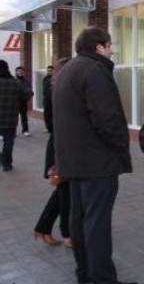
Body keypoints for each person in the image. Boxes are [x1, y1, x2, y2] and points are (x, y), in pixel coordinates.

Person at [53, 26, 136, 284]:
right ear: (99, 47)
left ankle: (86, 273)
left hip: (75, 161)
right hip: (97, 163)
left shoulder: (67, 70)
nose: (112, 51)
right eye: (110, 45)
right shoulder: (95, 70)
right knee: (97, 223)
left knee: (79, 219)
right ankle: (101, 277)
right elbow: (107, 118)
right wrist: (122, 143)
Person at [34, 58, 72, 248]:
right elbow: (54, 124)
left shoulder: (56, 89)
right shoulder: (55, 91)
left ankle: (43, 228)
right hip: (60, 147)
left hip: (59, 145)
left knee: (62, 192)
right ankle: (67, 234)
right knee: (65, 193)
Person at [0, 61, 32, 172]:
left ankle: (2, 158)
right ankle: (6, 164)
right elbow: (29, 93)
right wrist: (18, 101)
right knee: (8, 141)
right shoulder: (16, 83)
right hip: (10, 116)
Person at [15, 66, 32, 136]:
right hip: (15, 101)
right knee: (14, 117)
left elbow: (29, 90)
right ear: (16, 72)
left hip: (23, 101)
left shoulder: (26, 81)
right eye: (18, 71)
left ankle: (25, 130)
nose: (20, 72)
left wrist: (26, 98)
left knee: (24, 116)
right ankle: (13, 131)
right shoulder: (14, 80)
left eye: (21, 71)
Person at [43, 65, 54, 133]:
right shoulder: (45, 79)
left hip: (53, 99)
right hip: (47, 99)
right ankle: (47, 126)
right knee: (47, 113)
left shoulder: (55, 78)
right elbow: (46, 89)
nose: (49, 72)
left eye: (51, 70)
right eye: (48, 70)